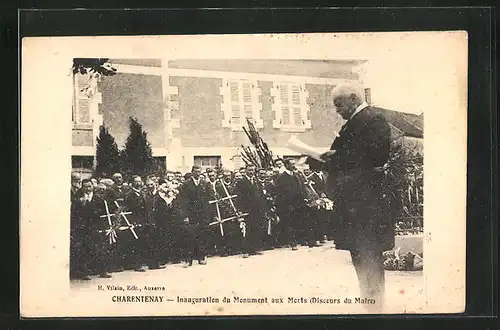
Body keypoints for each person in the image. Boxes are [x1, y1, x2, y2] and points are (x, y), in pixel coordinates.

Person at [319, 83, 394, 312]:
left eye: (339, 105)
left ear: (353, 98)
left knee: (369, 260)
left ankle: (375, 311)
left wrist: (336, 157)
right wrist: (318, 159)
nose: (337, 110)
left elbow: (375, 155)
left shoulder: (373, 119)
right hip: (354, 205)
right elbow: (342, 158)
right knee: (360, 260)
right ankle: (370, 309)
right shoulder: (352, 124)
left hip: (366, 205)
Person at [71, 179, 112, 279]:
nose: (88, 189)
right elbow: (75, 213)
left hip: (96, 226)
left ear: (93, 186)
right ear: (82, 187)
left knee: (100, 249)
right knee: (84, 249)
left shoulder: (99, 198)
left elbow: (102, 212)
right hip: (83, 227)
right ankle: (84, 273)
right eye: (85, 187)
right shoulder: (77, 198)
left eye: (89, 186)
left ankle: (103, 271)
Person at [176, 165, 210, 267]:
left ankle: (201, 257)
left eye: (199, 171)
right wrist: (185, 216)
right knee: (189, 237)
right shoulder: (185, 185)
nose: (197, 173)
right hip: (191, 215)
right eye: (195, 171)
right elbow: (182, 202)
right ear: (192, 172)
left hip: (202, 215)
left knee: (202, 236)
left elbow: (208, 199)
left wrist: (207, 214)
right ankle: (188, 260)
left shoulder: (205, 184)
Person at [233, 164, 266, 257]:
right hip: (247, 210)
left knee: (257, 229)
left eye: (252, 170)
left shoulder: (256, 181)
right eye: (249, 170)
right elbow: (239, 197)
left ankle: (255, 249)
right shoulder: (241, 182)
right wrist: (241, 210)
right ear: (246, 171)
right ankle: (246, 250)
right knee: (247, 230)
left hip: (258, 209)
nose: (251, 172)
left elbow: (261, 195)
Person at [274, 159, 307, 250]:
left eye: (294, 164)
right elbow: (279, 193)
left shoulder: (296, 175)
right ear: (286, 165)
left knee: (298, 221)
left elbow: (301, 188)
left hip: (298, 203)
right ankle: (292, 242)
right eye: (291, 164)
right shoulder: (281, 177)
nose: (294, 165)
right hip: (288, 204)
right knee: (290, 223)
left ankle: (300, 239)